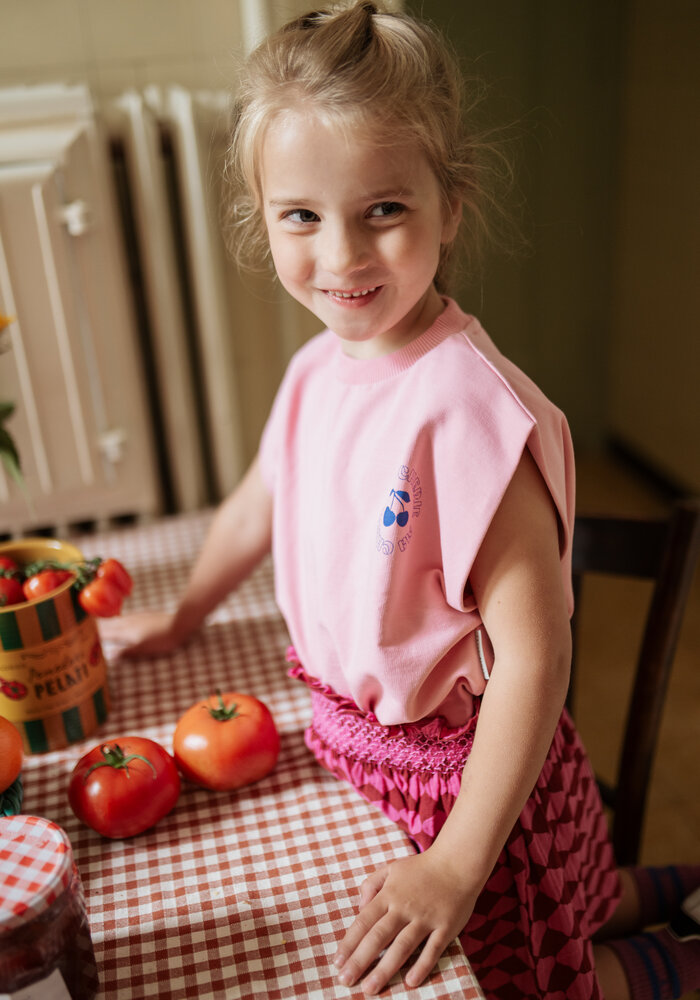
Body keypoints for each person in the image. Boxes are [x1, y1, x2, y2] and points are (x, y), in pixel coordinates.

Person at [103, 3, 700, 997]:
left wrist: (457, 866)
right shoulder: (312, 372)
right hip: (361, 765)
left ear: (450, 204)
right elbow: (260, 499)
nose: (340, 257)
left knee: (541, 974)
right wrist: (188, 610)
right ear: (264, 216)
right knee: (575, 908)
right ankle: (662, 892)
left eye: (383, 210)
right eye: (302, 215)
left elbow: (537, 660)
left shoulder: (467, 413)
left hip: (475, 799)